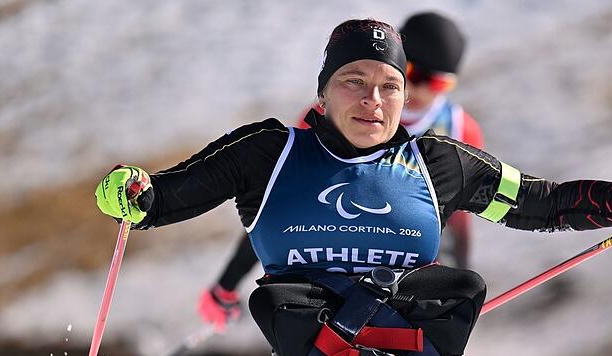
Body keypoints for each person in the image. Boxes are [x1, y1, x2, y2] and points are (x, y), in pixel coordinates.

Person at [94, 18, 612, 356]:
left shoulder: (439, 163)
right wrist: (132, 193)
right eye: (354, 81)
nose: (372, 100)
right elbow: (166, 198)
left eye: (389, 87)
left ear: (405, 98)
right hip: (311, 320)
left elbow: (542, 202)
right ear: (323, 94)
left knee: (463, 288)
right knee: (276, 297)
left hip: (398, 319)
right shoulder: (267, 151)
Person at [197, 12, 481, 334]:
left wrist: (459, 301)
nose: (419, 89)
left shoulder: (459, 130)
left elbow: (460, 222)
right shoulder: (333, 116)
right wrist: (227, 284)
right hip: (326, 287)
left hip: (404, 291)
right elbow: (279, 205)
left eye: (437, 82)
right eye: (413, 72)